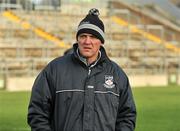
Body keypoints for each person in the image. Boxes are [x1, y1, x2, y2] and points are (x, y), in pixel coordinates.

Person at [27, 8, 136, 131]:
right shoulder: (54, 69)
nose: (87, 41)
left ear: (101, 41)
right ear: (77, 39)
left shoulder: (117, 74)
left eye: (93, 37)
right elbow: (38, 112)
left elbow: (127, 116)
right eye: (83, 36)